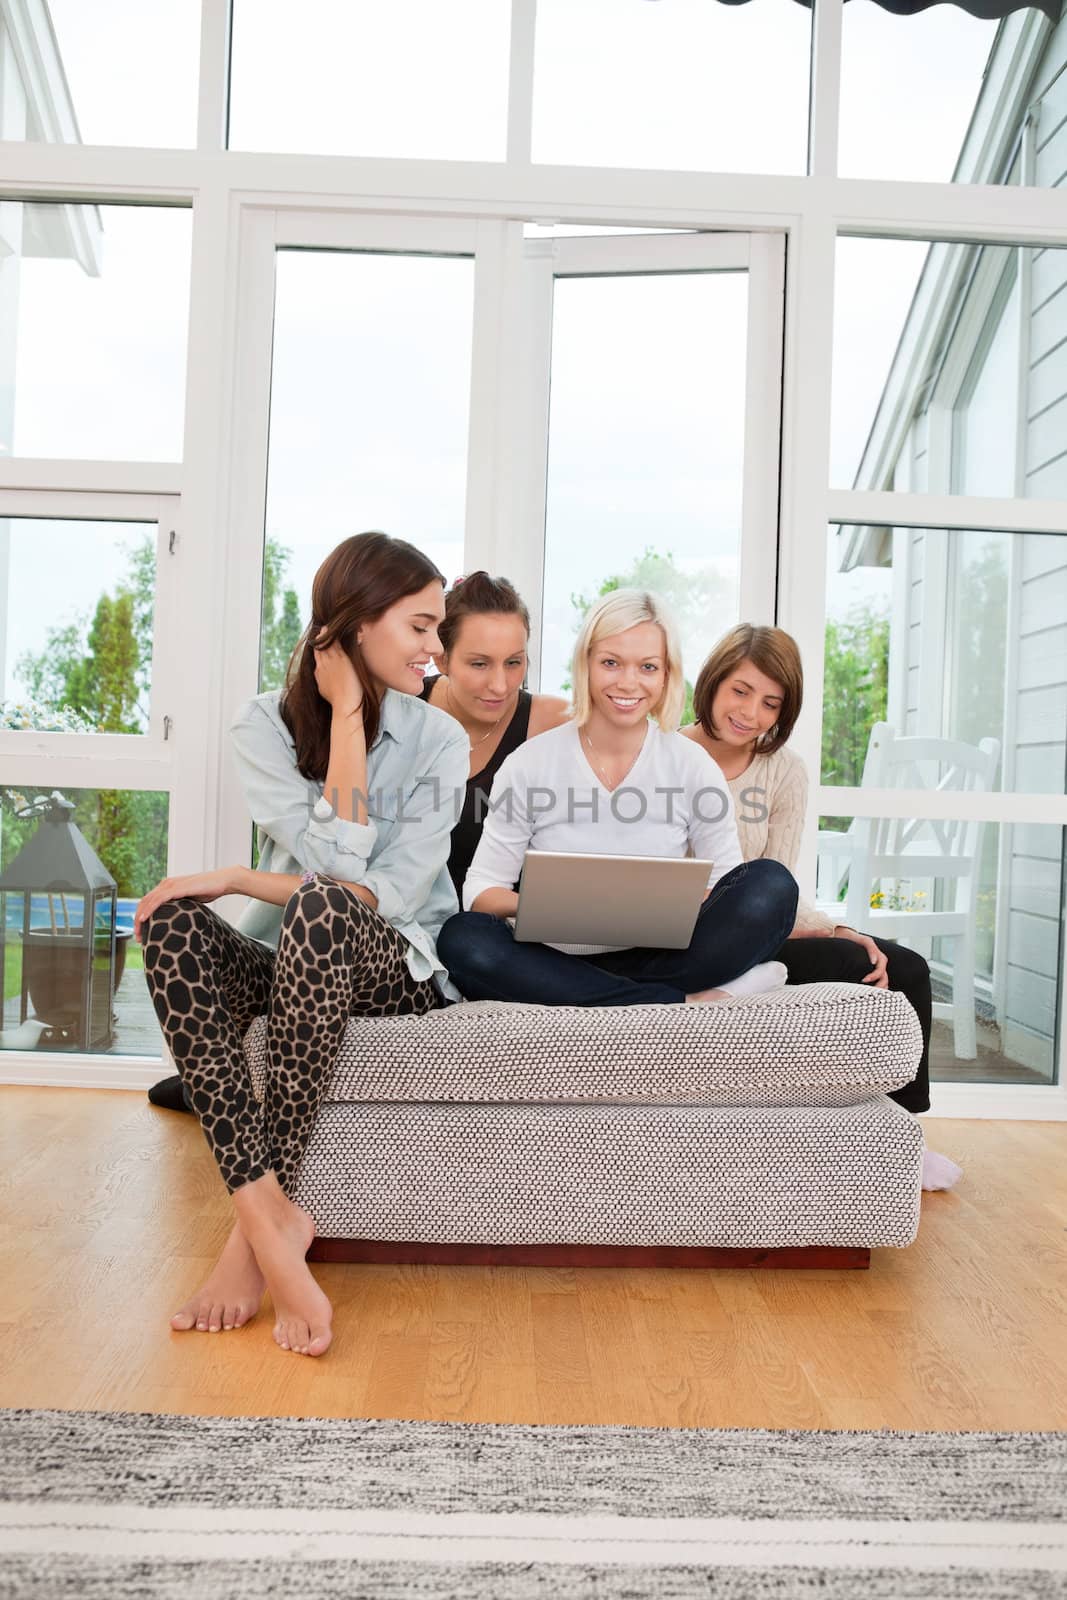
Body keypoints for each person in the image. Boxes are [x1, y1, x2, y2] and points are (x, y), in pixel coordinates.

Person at [135, 532, 469, 1356]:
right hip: (298, 958)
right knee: (173, 922)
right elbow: (333, 863)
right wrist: (346, 718)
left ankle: (248, 1246)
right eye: (421, 626)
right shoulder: (261, 726)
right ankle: (266, 1212)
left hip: (398, 967)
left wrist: (241, 877)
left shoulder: (440, 741)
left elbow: (373, 893)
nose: (436, 649)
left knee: (320, 907)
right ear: (355, 624)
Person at [681, 622, 962, 1188]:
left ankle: (905, 1136)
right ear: (713, 682)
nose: (751, 713)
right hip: (688, 934)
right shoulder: (668, 754)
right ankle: (739, 977)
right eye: (740, 690)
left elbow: (782, 879)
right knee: (840, 957)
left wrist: (835, 927)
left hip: (761, 925)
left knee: (903, 966)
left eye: (770, 702)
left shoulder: (784, 769)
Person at [437, 589, 799, 1007]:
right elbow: (481, 889)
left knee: (771, 885)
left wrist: (667, 904)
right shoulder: (529, 764)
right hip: (549, 955)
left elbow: (728, 887)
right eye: (611, 663)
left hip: (662, 955)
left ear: (666, 675)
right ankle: (677, 1001)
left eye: (647, 667)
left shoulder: (692, 765)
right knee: (464, 939)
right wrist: (557, 907)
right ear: (586, 664)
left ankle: (595, 994)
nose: (628, 682)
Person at [417, 571, 571, 895]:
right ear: (441, 659)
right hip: (406, 923)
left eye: (514, 662)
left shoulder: (555, 722)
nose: (500, 686)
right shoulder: (404, 712)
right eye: (479, 664)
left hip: (503, 929)